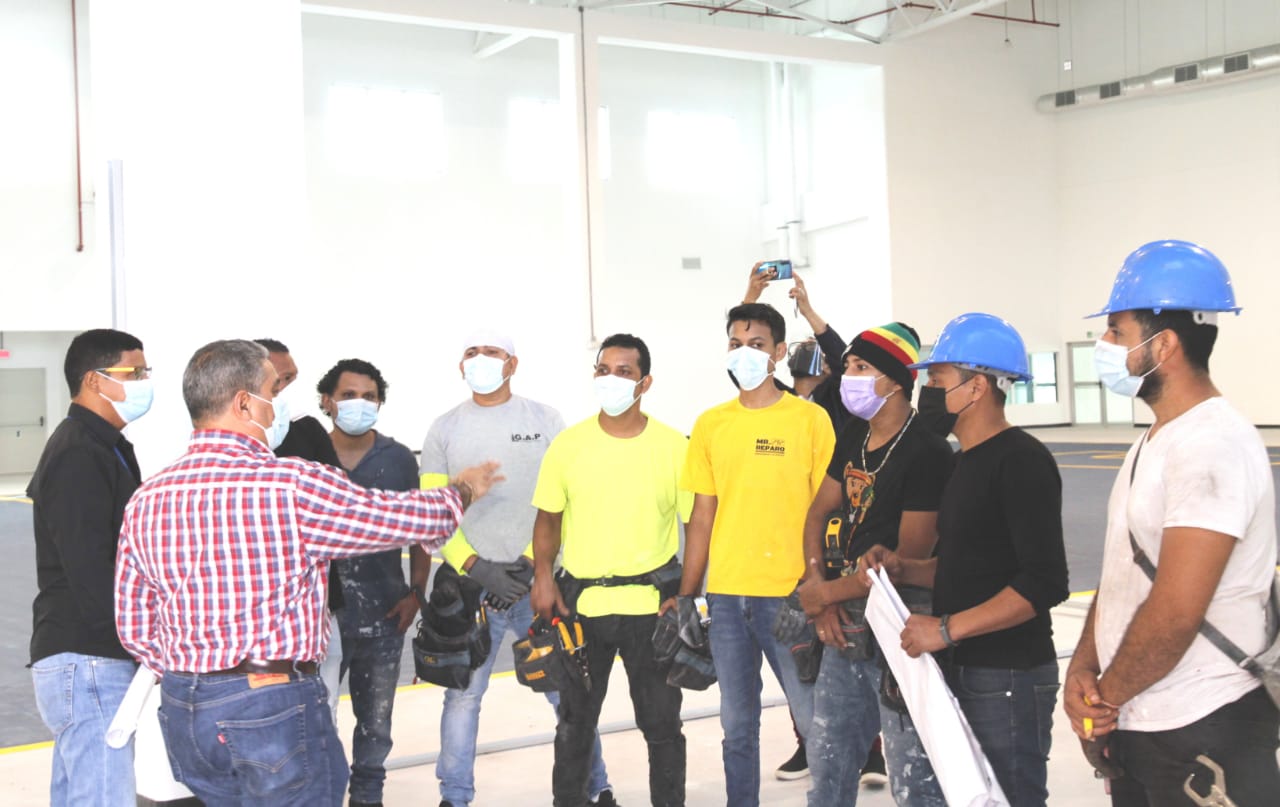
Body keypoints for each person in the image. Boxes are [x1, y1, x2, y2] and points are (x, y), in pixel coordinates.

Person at [113, 339, 502, 805]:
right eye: (272, 391)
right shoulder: (291, 485)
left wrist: (194, 670)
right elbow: (398, 520)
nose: (278, 405)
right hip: (270, 703)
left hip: (185, 707)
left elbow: (135, 624)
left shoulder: (149, 497)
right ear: (244, 404)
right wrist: (461, 492)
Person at [1063, 240, 1280, 806]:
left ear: (1163, 345)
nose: (1105, 345)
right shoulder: (1155, 440)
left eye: (1116, 332)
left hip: (1204, 725)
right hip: (1143, 718)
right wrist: (1084, 666)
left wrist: (1103, 699)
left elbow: (1177, 610)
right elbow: (1123, 576)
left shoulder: (1213, 445)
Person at [862, 312, 1069, 807]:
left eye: (937, 380)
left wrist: (946, 629)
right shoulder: (962, 463)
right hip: (967, 668)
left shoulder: (1020, 461)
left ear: (976, 387)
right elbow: (965, 563)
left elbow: (1044, 581)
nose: (927, 392)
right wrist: (903, 568)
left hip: (1008, 676)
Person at [421, 328, 613, 807]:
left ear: (512, 364)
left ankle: (596, 788)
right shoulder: (443, 429)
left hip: (539, 587)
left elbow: (564, 500)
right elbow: (431, 510)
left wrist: (533, 564)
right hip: (471, 591)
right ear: (460, 366)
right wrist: (476, 567)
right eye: (471, 352)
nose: (480, 359)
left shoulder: (545, 420)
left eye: (491, 351)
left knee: (567, 693)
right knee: (462, 698)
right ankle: (454, 797)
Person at [670, 303, 835, 807]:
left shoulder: (810, 420)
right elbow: (701, 517)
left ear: (779, 352)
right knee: (737, 726)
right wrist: (687, 596)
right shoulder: (710, 424)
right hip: (726, 601)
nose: (744, 353)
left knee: (813, 721)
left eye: (757, 344)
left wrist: (816, 587)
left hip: (791, 598)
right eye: (736, 344)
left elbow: (828, 513)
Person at [531, 333, 691, 807]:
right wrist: (543, 577)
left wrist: (688, 592)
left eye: (624, 372)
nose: (611, 379)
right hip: (580, 608)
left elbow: (696, 525)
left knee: (662, 725)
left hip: (652, 609)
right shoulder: (569, 445)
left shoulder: (674, 447)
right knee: (574, 725)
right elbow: (548, 519)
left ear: (645, 383)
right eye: (604, 370)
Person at [796, 323, 953, 806]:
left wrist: (824, 595)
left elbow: (905, 561)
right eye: (847, 366)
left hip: (900, 622)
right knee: (829, 761)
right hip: (844, 618)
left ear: (896, 381)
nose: (849, 377)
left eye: (861, 367)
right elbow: (817, 513)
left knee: (911, 773)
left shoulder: (926, 451)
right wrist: (818, 583)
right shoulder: (854, 436)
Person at [28, 329, 150, 806]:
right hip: (90, 659)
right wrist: (138, 641)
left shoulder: (105, 445)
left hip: (88, 659)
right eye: (133, 372)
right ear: (95, 380)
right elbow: (90, 568)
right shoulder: (78, 452)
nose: (143, 382)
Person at [318, 358, 423, 807]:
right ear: (327, 401)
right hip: (319, 618)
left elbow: (420, 530)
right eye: (348, 396)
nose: (358, 404)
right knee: (318, 718)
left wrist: (415, 593)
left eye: (369, 397)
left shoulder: (397, 459)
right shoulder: (305, 456)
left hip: (385, 612)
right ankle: (322, 793)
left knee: (376, 722)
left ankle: (367, 797)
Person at [255, 338, 347, 720]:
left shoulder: (307, 431)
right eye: (275, 380)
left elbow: (338, 503)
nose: (283, 389)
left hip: (316, 604)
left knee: (323, 706)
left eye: (289, 379)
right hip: (255, 614)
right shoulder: (228, 444)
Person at [741, 264, 848, 433]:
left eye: (813, 346)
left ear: (827, 367)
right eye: (801, 346)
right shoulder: (775, 396)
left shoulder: (839, 400)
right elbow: (745, 366)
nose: (805, 345)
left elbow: (843, 359)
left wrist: (808, 311)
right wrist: (750, 299)